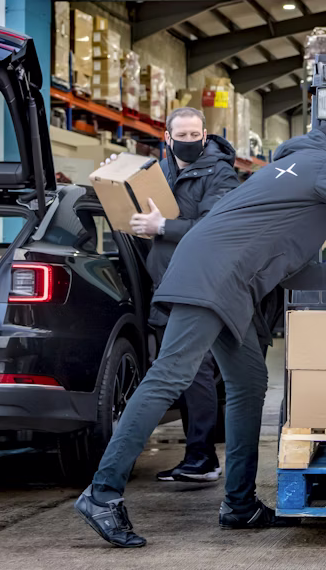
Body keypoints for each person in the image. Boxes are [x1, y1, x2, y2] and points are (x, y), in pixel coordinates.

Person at [74, 122, 326, 548]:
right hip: (213, 277)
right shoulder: (319, 164)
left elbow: (289, 269)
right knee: (170, 376)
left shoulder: (286, 180)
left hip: (232, 284)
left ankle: (239, 505)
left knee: (249, 382)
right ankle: (103, 493)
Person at [125, 107, 241, 484]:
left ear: (205, 135)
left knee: (196, 371)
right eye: (183, 135)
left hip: (198, 283)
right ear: (167, 136)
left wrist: (164, 227)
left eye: (196, 135)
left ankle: (203, 458)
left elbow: (216, 228)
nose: (190, 141)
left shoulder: (220, 172)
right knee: (188, 372)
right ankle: (197, 457)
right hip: (168, 283)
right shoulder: (160, 171)